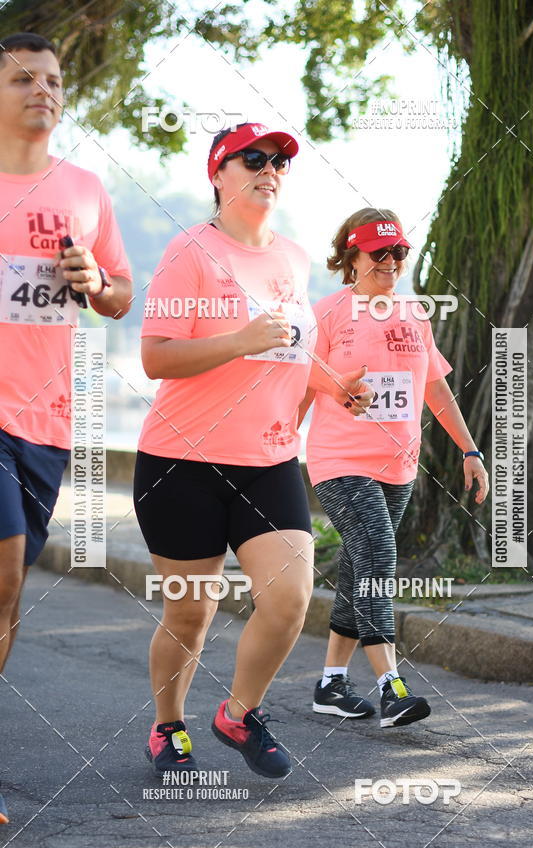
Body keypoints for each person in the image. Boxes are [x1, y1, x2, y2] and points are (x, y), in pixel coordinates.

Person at [134, 122, 373, 779]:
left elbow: (293, 349)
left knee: (291, 598)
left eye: (279, 161)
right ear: (219, 174)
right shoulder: (189, 252)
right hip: (182, 463)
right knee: (190, 606)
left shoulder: (293, 259)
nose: (270, 168)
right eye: (254, 159)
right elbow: (155, 355)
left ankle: (239, 713)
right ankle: (168, 726)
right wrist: (237, 340)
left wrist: (334, 385)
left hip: (268, 461)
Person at [0, 32, 132, 824]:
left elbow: (120, 297)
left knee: (8, 604)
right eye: (21, 79)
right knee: (6, 571)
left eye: (52, 80)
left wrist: (96, 280)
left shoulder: (85, 188)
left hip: (47, 420)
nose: (42, 90)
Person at [299, 208, 489, 728]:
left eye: (398, 252)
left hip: (398, 466)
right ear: (351, 256)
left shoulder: (414, 314)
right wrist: (274, 454)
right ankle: (392, 685)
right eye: (377, 252)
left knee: (361, 567)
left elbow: (434, 388)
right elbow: (300, 385)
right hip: (339, 461)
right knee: (379, 552)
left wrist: (471, 452)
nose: (389, 261)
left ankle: (331, 684)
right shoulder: (329, 312)